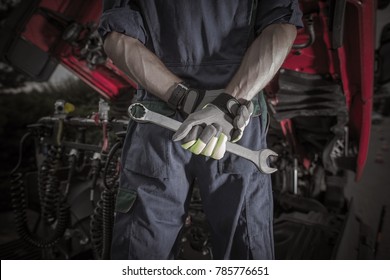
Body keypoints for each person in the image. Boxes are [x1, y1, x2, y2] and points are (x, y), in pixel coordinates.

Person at [98, 0, 302, 260]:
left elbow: (117, 37)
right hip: (236, 118)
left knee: (142, 248)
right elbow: (281, 26)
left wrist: (186, 98)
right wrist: (228, 102)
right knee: (246, 246)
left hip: (162, 114)